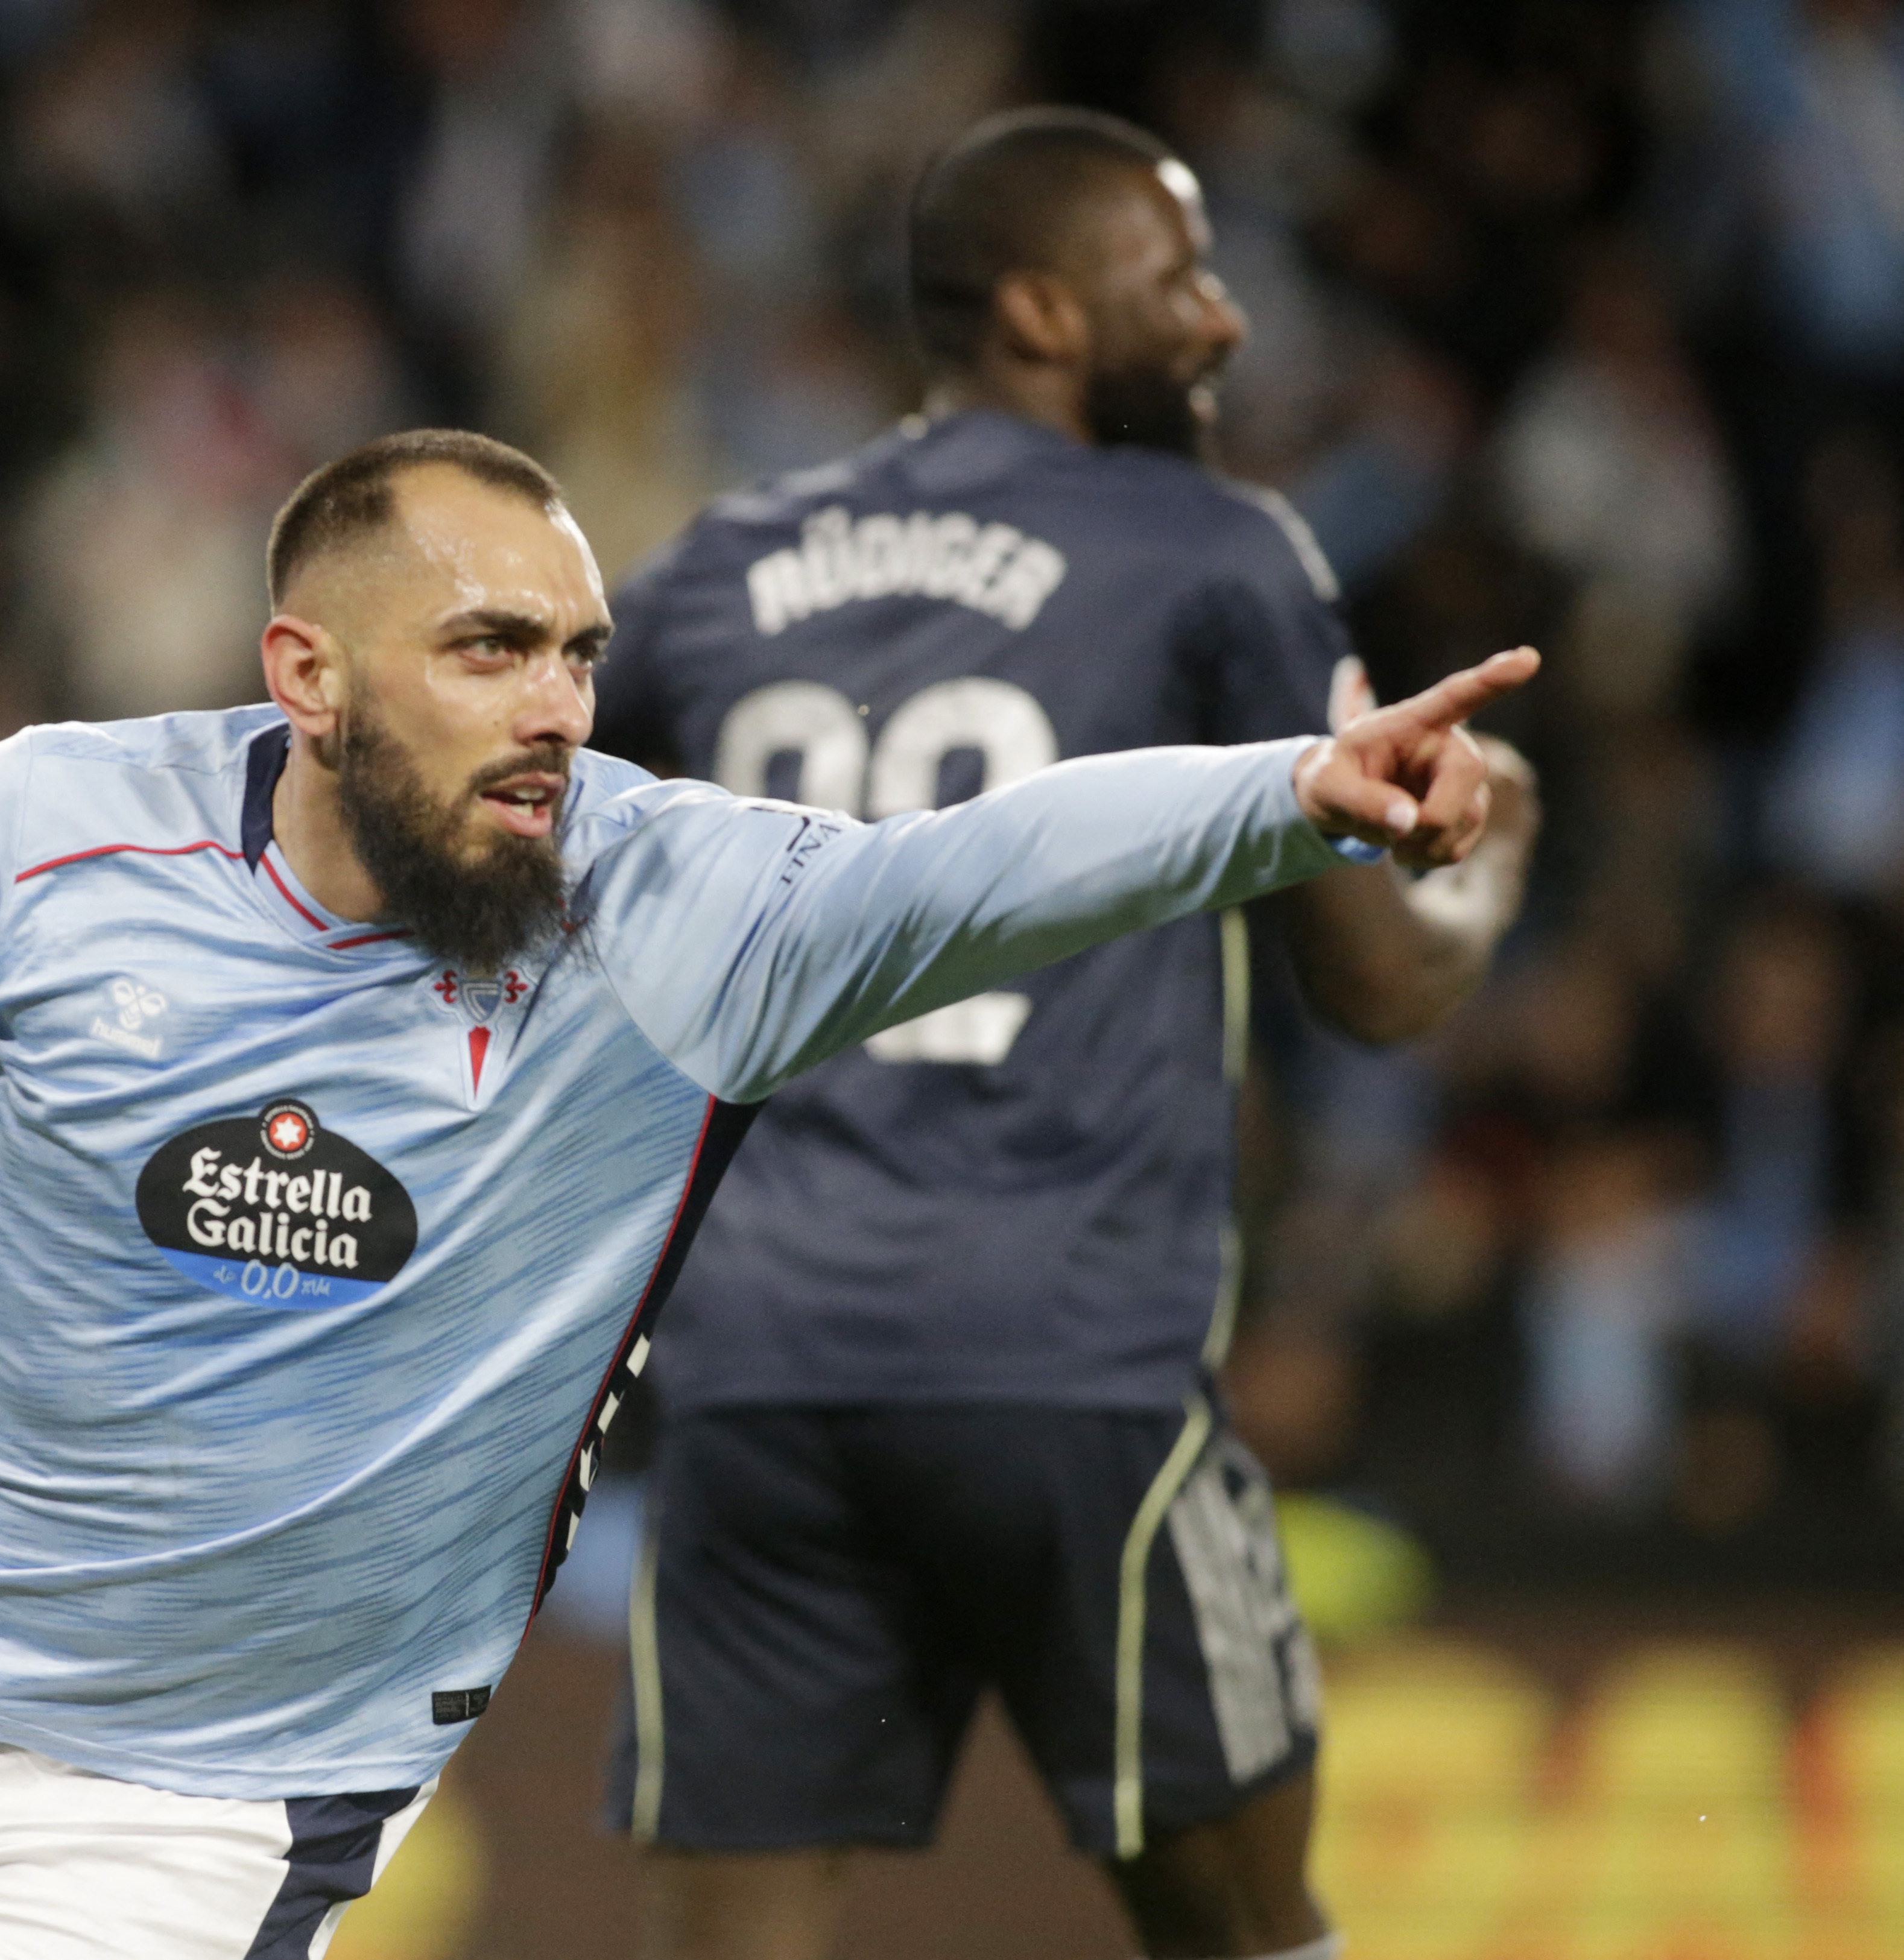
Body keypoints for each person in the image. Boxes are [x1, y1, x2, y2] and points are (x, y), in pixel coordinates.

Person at [0, 427, 1528, 1959]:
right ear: (307, 673)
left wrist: (1298, 797)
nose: (561, 704)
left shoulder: (678, 917)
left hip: (228, 1792)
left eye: (577, 650)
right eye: (491, 649)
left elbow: (990, 866)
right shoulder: (45, 834)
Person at [587, 110, 1540, 1960]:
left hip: (758, 1366)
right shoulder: (1208, 548)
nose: (1221, 318)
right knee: (1255, 1937)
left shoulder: (709, 568)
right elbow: (1377, 980)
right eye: (1172, 273)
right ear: (1036, 309)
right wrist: (1503, 858)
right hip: (1069, 1358)